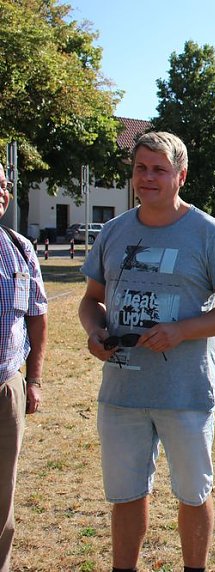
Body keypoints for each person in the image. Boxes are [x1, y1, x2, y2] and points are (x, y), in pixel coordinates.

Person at [78, 132, 215, 572]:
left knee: (193, 492)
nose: (148, 177)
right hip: (122, 392)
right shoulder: (114, 232)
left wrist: (181, 331)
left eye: (159, 169)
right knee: (126, 493)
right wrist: (95, 331)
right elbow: (91, 298)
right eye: (141, 168)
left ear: (181, 175)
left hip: (185, 393)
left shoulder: (209, 234)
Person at [0, 163, 47, 571]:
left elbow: (36, 315)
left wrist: (32, 379)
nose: (1, 192)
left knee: (2, 491)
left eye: (4, 185)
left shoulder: (19, 247)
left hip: (6, 387)